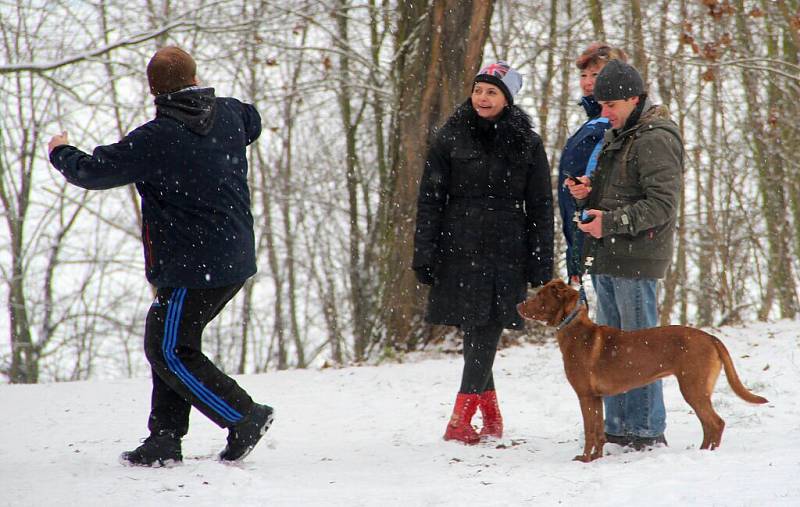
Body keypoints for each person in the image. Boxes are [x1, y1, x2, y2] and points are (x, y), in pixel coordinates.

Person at [48, 46, 273, 466]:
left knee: (168, 348)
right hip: (233, 256)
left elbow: (92, 171)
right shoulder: (230, 115)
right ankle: (164, 439)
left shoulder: (156, 139)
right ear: (195, 76)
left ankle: (243, 416)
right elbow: (253, 119)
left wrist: (60, 150)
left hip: (194, 266)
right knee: (170, 338)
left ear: (154, 88)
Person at [413, 61, 554, 444]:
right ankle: (487, 416)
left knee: (486, 328)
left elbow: (541, 206)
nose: (482, 98)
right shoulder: (450, 137)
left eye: (492, 92)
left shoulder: (529, 143)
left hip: (507, 250)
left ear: (507, 99)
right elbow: (430, 199)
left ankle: (463, 419)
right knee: (476, 329)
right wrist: (423, 253)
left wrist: (543, 263)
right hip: (458, 245)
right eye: (478, 90)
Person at [566, 59, 684, 450]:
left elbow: (662, 205)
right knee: (614, 352)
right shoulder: (622, 133)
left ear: (633, 98)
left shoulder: (656, 137)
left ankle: (646, 431)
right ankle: (619, 427)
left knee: (641, 352)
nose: (604, 112)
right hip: (608, 256)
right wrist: (588, 192)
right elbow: (616, 193)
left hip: (636, 258)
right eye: (600, 105)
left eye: (610, 104)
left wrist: (610, 222)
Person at [557, 43, 627, 284]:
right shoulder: (592, 123)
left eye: (595, 75)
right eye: (583, 75)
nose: (588, 82)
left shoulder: (611, 124)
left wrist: (582, 245)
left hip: (604, 239)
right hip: (583, 236)